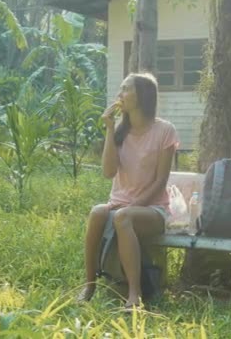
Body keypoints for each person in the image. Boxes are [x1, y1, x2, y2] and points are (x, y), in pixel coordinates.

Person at [77, 72, 179, 309]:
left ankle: (135, 294)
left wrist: (134, 206)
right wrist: (110, 130)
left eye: (126, 89)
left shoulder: (165, 130)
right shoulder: (120, 132)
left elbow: (161, 181)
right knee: (97, 212)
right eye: (120, 89)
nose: (119, 94)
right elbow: (108, 172)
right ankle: (90, 284)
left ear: (142, 95)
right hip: (119, 205)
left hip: (154, 209)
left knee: (123, 216)